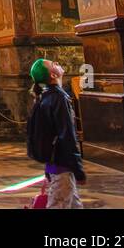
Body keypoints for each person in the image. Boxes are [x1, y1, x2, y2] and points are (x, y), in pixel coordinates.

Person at [26, 58, 85, 209]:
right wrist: (78, 168)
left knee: (73, 205)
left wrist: (49, 168)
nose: (57, 63)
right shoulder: (57, 98)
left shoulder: (45, 97)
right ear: (53, 75)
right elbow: (67, 136)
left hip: (55, 164)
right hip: (62, 165)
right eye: (53, 64)